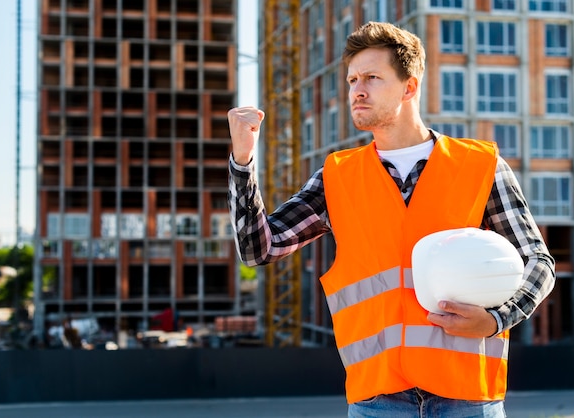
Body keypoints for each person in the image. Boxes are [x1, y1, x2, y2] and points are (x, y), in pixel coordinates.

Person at [227, 21, 555, 418]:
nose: (356, 90)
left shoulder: (480, 166)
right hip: (377, 400)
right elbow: (258, 248)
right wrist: (243, 162)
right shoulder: (337, 176)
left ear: (409, 87)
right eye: (351, 80)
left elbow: (538, 261)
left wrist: (497, 319)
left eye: (372, 77)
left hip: (468, 396)